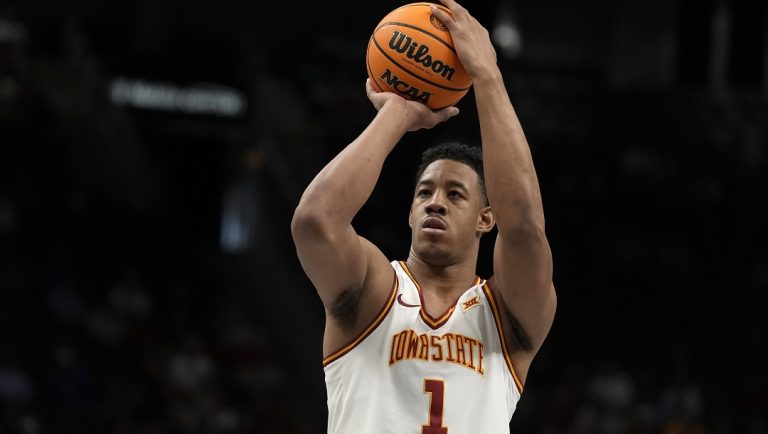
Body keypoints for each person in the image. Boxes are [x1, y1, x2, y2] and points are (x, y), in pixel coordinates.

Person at [290, 0, 556, 432]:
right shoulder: (374, 291)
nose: (435, 202)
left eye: (455, 194)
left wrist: (487, 75)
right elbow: (314, 222)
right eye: (424, 193)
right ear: (410, 212)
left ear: (486, 219)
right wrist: (399, 113)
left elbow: (525, 229)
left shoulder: (506, 312)